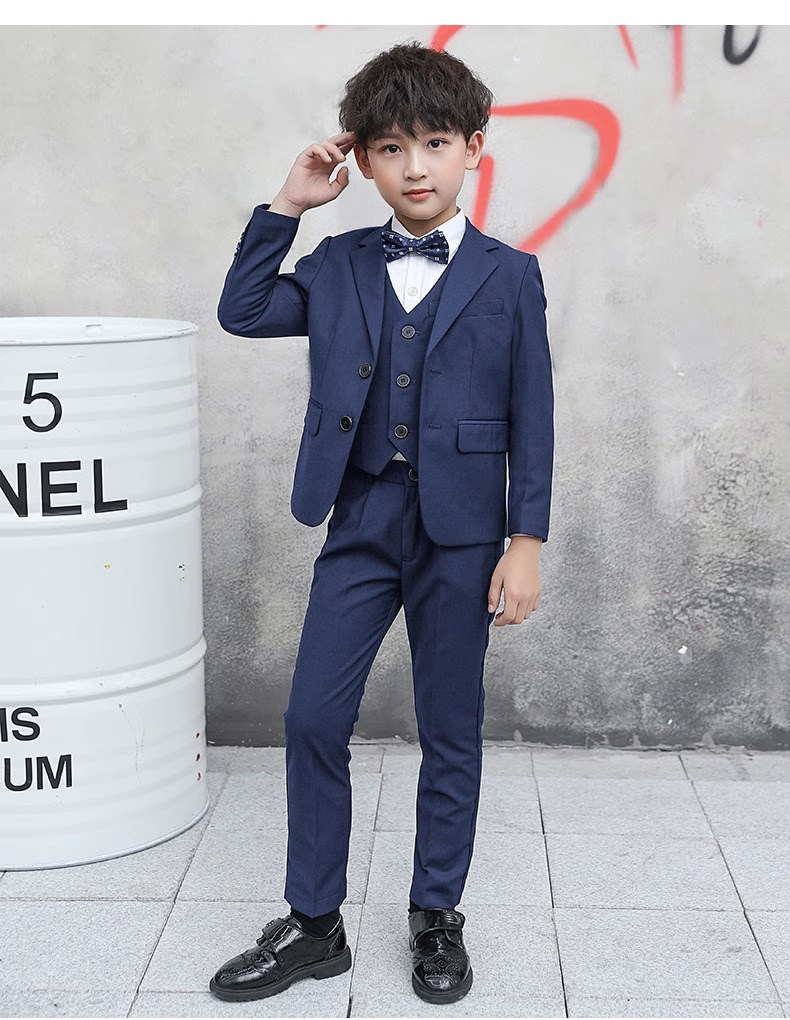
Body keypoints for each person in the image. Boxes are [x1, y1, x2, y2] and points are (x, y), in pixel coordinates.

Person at [209, 39, 554, 1006]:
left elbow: (534, 413)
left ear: (474, 148)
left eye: (436, 144)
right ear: (361, 160)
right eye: (392, 148)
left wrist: (525, 541)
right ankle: (315, 924)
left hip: (464, 533)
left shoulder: (510, 275)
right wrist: (288, 206)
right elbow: (242, 310)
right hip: (359, 514)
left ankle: (436, 913)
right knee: (313, 716)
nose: (416, 167)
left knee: (450, 727)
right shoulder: (338, 263)